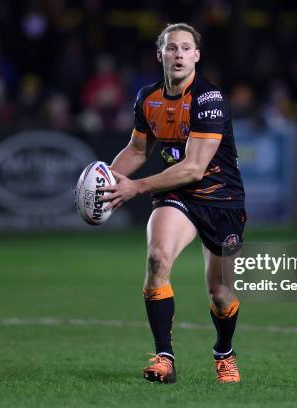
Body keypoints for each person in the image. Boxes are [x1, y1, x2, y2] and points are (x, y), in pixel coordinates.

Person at [99, 23, 246, 384]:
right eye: (171, 48)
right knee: (156, 257)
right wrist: (105, 183)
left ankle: (224, 352)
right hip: (176, 195)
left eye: (185, 48)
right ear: (160, 55)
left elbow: (194, 168)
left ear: (196, 55)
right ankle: (164, 357)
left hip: (220, 199)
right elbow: (138, 149)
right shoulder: (147, 98)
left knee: (221, 293)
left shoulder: (209, 99)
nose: (178, 54)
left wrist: (137, 187)